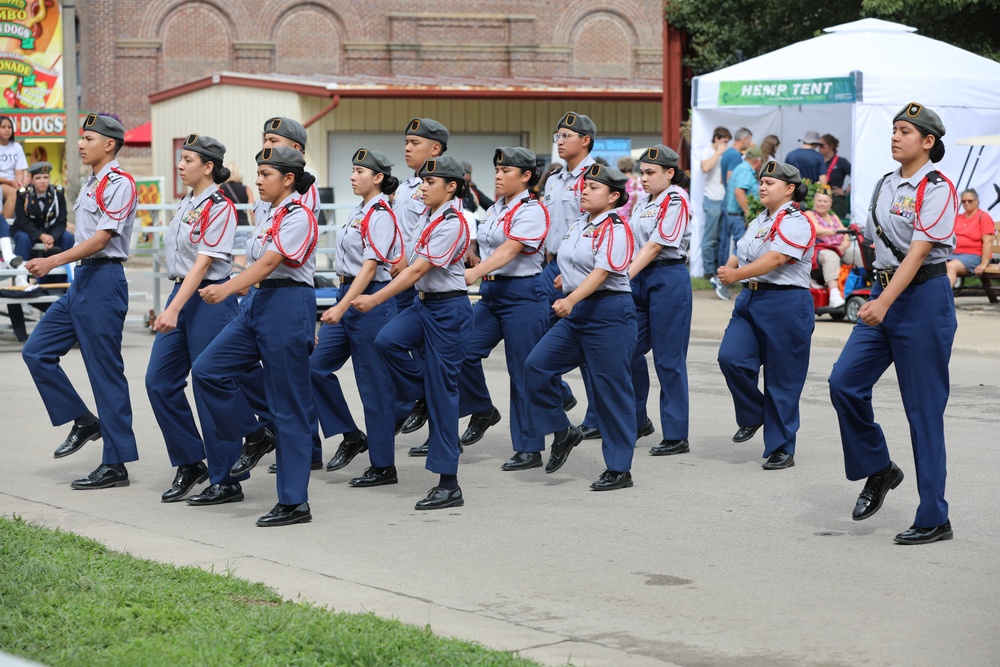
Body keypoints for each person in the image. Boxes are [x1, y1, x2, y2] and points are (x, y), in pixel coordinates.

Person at [829, 102, 959, 545]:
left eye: (905, 131)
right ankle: (880, 468)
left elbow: (921, 251)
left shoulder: (938, 188)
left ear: (928, 141)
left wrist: (883, 300)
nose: (895, 136)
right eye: (893, 130)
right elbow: (875, 244)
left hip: (921, 300)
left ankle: (933, 516)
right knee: (843, 382)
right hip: (884, 297)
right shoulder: (886, 185)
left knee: (923, 412)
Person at [191, 145, 320, 527]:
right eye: (259, 173)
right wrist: (244, 289)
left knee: (288, 406)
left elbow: (270, 262)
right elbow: (256, 262)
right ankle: (255, 434)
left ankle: (295, 502)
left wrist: (229, 287)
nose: (258, 180)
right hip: (259, 306)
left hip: (287, 305)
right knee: (207, 370)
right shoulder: (269, 214)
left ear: (289, 178)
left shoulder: (299, 214)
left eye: (266, 174)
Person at [21, 114, 139, 489]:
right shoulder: (90, 184)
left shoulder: (120, 184)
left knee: (105, 372)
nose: (81, 144)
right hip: (82, 281)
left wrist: (53, 261)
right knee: (36, 351)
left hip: (104, 278)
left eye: (89, 138)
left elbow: (103, 239)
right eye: (82, 138)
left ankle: (116, 464)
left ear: (109, 144)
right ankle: (84, 421)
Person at [353, 155, 472, 510]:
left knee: (444, 396)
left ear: (450, 187)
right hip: (425, 306)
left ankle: (448, 483)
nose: (422, 187)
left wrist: (374, 299)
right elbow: (410, 261)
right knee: (386, 341)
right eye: (421, 181)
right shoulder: (429, 215)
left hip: (449, 310)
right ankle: (418, 395)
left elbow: (418, 270)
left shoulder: (453, 221)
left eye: (430, 182)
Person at [144, 134, 248, 505]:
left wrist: (173, 308)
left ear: (208, 166)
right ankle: (191, 462)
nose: (180, 164)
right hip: (182, 293)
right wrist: (173, 303)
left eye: (187, 159)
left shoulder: (220, 206)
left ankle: (226, 478)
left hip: (208, 298)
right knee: (158, 381)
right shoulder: (188, 203)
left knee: (209, 386)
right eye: (180, 158)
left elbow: (203, 262)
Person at [524, 164, 637, 490]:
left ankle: (619, 469)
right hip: (579, 311)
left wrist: (572, 298)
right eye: (584, 186)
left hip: (609, 312)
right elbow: (572, 261)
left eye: (594, 187)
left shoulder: (616, 226)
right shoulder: (579, 224)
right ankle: (562, 429)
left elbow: (603, 272)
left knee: (610, 392)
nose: (584, 191)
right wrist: (568, 278)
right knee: (537, 365)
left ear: (614, 196)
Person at [310, 148, 407, 488]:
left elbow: (370, 268)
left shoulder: (380, 213)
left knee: (374, 387)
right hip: (346, 297)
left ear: (378, 177)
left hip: (369, 303)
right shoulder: (360, 211)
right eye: (352, 170)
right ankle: (351, 435)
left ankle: (383, 466)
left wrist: (340, 306)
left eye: (359, 171)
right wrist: (339, 305)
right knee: (315, 368)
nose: (352, 176)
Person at [716, 161, 815, 471]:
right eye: (761, 181)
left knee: (782, 379)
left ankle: (781, 447)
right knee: (730, 358)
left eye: (770, 182)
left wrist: (736, 274)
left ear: (789, 189)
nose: (762, 186)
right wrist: (730, 268)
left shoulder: (796, 220)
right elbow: (745, 250)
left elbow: (777, 257)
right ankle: (754, 414)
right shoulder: (760, 220)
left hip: (785, 302)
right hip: (751, 298)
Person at [459, 147, 549, 471]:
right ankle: (482, 408)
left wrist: (475, 271)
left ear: (525, 176)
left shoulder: (532, 209)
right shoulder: (495, 208)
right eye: (497, 169)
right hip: (492, 293)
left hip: (523, 294)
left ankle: (529, 447)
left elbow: (511, 248)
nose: (498, 175)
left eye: (506, 170)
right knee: (462, 348)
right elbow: (484, 241)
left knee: (522, 372)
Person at [627, 145, 691, 457]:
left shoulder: (676, 199)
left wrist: (622, 276)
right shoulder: (643, 201)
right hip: (641, 279)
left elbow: (655, 246)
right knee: (625, 350)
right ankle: (638, 420)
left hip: (667, 278)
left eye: (650, 172)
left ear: (669, 173)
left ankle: (676, 434)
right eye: (642, 172)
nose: (643, 178)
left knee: (668, 360)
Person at [539, 110, 600, 438]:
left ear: (585, 140)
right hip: (551, 266)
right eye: (557, 136)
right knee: (538, 335)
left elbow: (595, 228)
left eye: (566, 135)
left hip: (580, 268)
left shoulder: (596, 178)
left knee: (589, 345)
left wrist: (574, 270)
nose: (560, 141)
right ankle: (561, 393)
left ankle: (597, 418)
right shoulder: (553, 179)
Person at [392, 117, 450, 437]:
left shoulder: (442, 187)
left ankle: (439, 429)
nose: (407, 148)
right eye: (406, 142)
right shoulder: (405, 187)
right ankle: (423, 397)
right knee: (395, 344)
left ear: (435, 149)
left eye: (415, 143)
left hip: (425, 281)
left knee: (432, 356)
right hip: (403, 279)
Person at [713, 146, 763, 299]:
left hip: (732, 214)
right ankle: (721, 279)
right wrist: (749, 214)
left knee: (741, 247)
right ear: (758, 161)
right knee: (743, 248)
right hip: (739, 216)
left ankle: (724, 277)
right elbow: (739, 191)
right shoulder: (745, 171)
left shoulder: (740, 168)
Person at [11, 162, 73, 268]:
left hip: (51, 231)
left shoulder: (58, 193)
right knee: (23, 238)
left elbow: (62, 220)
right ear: (32, 179)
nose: (42, 181)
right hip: (28, 231)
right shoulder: (23, 194)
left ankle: (70, 274)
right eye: (38, 178)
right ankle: (21, 276)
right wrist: (41, 236)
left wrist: (52, 237)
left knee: (68, 237)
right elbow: (22, 221)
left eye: (45, 177)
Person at [805, 186, 851, 307]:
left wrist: (844, 245)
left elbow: (846, 234)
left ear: (830, 204)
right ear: (814, 202)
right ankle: (834, 295)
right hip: (819, 249)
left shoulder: (834, 217)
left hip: (838, 247)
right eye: (819, 201)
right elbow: (816, 230)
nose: (822, 204)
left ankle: (865, 285)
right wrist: (835, 231)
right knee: (831, 256)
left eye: (825, 201)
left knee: (856, 252)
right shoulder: (810, 214)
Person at [945, 188, 994, 287]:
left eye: (970, 201)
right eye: (963, 201)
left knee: (950, 267)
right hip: (954, 254)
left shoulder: (983, 217)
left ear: (977, 201)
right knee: (936, 266)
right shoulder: (958, 218)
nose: (966, 203)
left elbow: (988, 242)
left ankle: (942, 300)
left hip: (975, 255)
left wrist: (983, 264)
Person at [700, 127, 732, 278]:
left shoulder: (724, 154)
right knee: (710, 237)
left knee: (720, 238)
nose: (726, 145)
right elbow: (705, 167)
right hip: (712, 198)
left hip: (723, 198)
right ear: (717, 139)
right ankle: (708, 270)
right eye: (724, 141)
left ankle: (717, 270)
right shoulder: (707, 151)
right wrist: (718, 152)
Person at [0, 115, 28, 220]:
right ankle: (4, 229)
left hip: (13, 184)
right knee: (14, 193)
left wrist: (19, 183)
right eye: (3, 127)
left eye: (9, 127)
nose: (7, 130)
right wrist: (10, 183)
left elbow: (19, 171)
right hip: (2, 183)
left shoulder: (17, 147)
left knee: (24, 193)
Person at [818, 134, 851, 218]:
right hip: (819, 199)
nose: (819, 148)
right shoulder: (817, 160)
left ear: (831, 146)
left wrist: (845, 192)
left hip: (836, 201)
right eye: (818, 145)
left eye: (821, 145)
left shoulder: (841, 162)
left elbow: (856, 177)